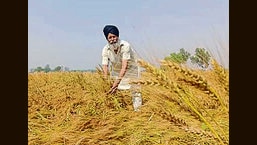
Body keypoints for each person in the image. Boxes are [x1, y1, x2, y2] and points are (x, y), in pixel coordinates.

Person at [101, 24, 142, 111]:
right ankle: (118, 110)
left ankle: (138, 111)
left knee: (135, 91)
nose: (113, 39)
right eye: (110, 38)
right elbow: (105, 66)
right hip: (116, 70)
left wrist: (117, 83)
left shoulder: (125, 45)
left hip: (131, 69)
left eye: (114, 36)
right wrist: (106, 80)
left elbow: (125, 66)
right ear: (107, 39)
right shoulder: (105, 49)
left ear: (118, 36)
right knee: (113, 90)